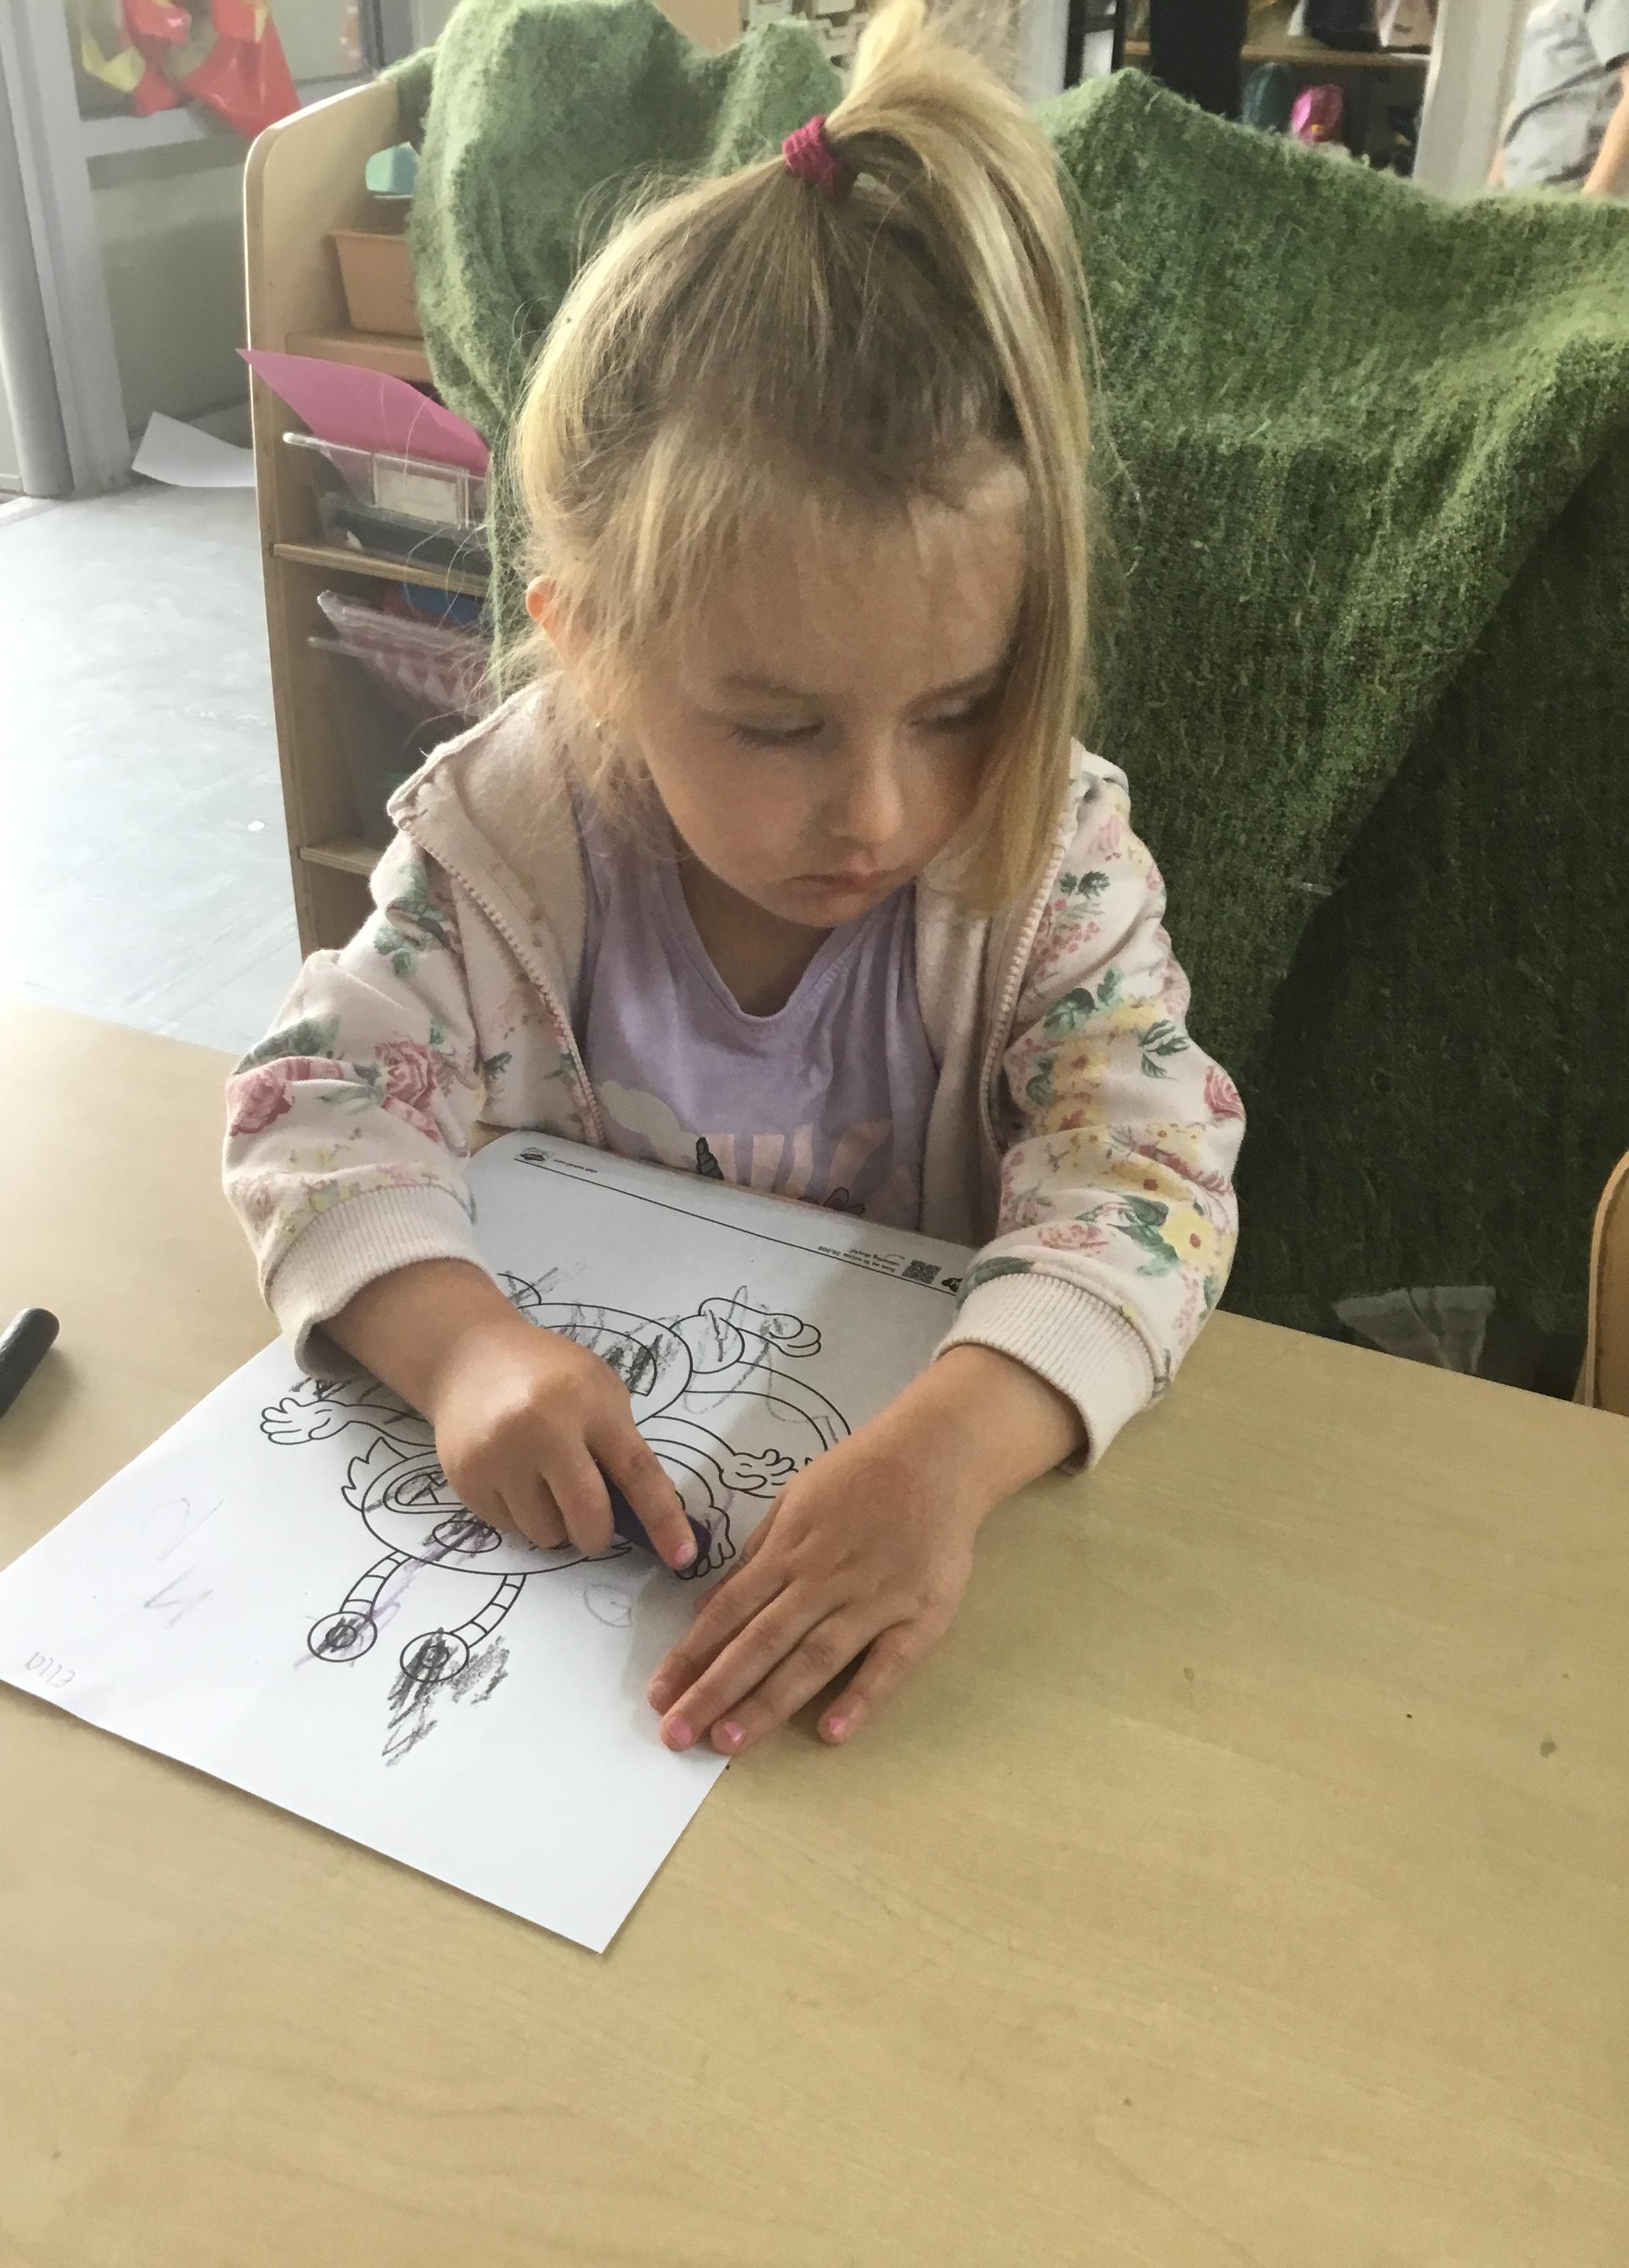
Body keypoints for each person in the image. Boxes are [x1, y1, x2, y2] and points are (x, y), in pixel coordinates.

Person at [222, 0, 1243, 1760]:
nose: (880, 809)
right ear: (587, 649)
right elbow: (315, 1102)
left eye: (959, 707)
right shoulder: (508, 836)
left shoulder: (1047, 858)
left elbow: (1146, 1176)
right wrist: (459, 1346)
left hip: (959, 1599)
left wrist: (953, 1451)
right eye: (775, 726)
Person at [1491, 0, 1629, 197]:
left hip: (1570, 190)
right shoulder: (1544, 9)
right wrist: (1493, 190)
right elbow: (1527, 101)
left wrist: (1590, 204)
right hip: (1520, 192)